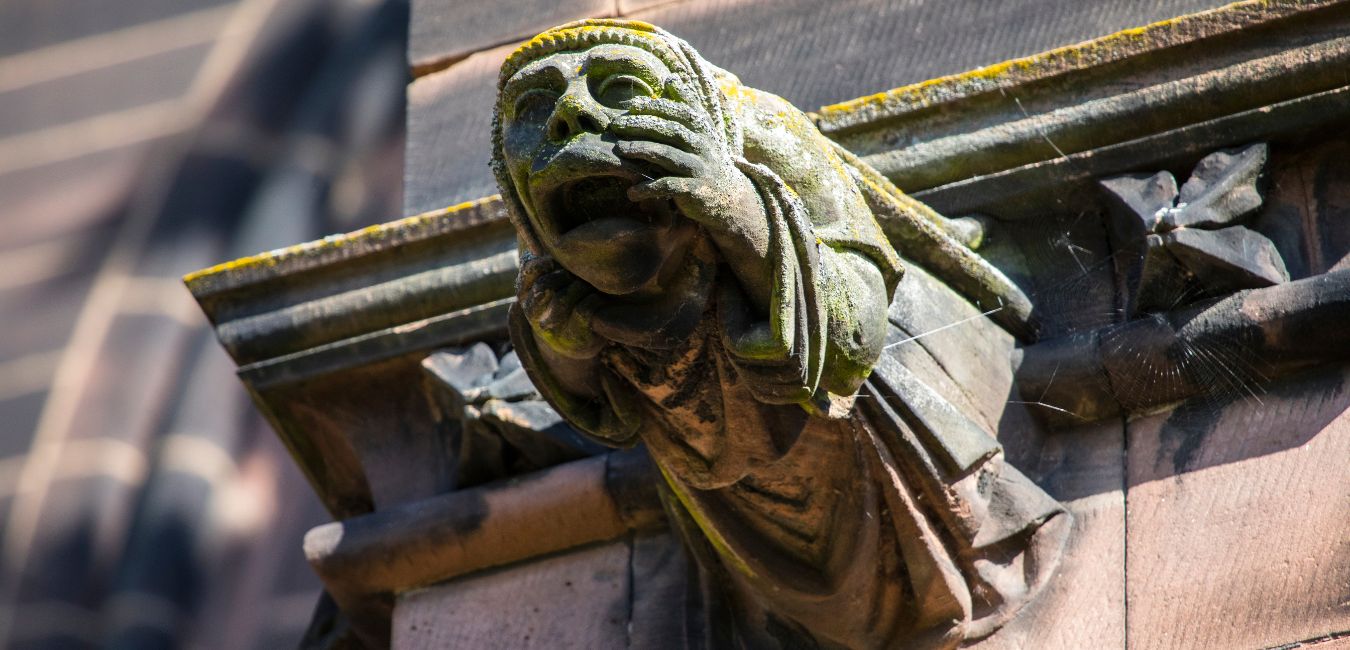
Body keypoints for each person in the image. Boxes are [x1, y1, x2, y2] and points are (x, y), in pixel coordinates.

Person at [493, 19, 1068, 648]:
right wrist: (567, 340)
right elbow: (599, 406)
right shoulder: (547, 226)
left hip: (859, 437)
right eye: (534, 107)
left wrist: (736, 207)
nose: (570, 117)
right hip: (734, 489)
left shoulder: (759, 134)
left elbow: (853, 335)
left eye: (620, 87)